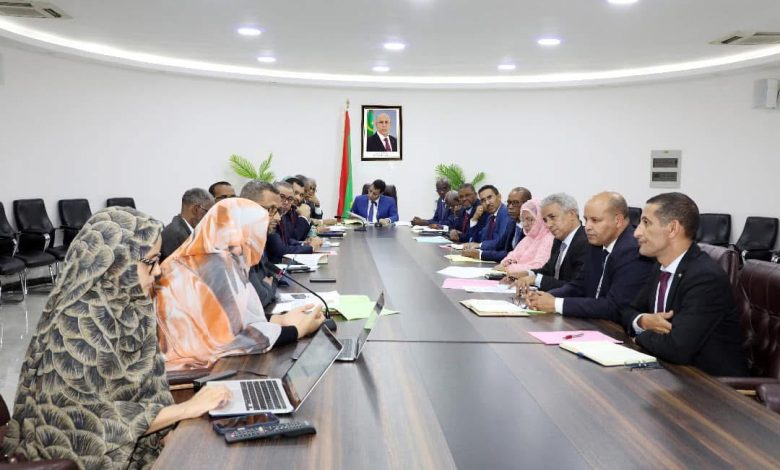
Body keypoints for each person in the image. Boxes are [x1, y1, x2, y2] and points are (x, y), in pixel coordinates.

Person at [1, 207, 232, 469]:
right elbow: (88, 422)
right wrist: (185, 409)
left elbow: (150, 387)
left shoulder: (132, 305)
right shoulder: (77, 324)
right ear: (117, 262)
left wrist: (168, 431)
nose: (158, 271)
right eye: (150, 262)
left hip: (137, 444)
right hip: (76, 457)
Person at [156, 198, 325, 371]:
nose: (244, 246)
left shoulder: (210, 257)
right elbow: (234, 339)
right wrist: (297, 330)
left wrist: (280, 319)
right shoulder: (213, 266)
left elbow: (235, 318)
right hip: (188, 369)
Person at [621, 192, 747, 376]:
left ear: (672, 229)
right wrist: (642, 321)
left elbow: (677, 348)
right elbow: (626, 311)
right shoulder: (661, 267)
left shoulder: (705, 278)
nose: (637, 232)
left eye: (646, 223)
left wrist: (638, 335)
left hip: (711, 384)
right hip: (669, 372)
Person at [526, 191, 653, 323]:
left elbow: (614, 307)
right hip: (593, 321)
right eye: (586, 220)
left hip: (617, 328)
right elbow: (579, 286)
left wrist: (556, 304)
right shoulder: (596, 244)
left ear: (618, 220)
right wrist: (544, 297)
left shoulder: (632, 250)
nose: (587, 227)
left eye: (595, 220)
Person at [512, 193, 589, 290]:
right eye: (545, 220)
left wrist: (536, 280)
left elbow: (576, 287)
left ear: (571, 214)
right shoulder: (558, 241)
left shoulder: (585, 242)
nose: (548, 225)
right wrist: (527, 273)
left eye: (552, 217)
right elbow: (548, 271)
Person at [240, 180, 282, 308]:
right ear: (249, 207)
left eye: (278, 210)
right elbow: (260, 298)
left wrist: (268, 283)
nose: (278, 218)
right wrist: (269, 284)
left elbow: (269, 275)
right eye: (271, 209)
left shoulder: (254, 239)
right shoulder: (237, 243)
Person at [465, 187, 532, 262]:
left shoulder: (508, 216)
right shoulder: (492, 218)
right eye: (509, 203)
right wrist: (474, 219)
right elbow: (481, 239)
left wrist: (480, 253)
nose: (510, 207)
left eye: (515, 203)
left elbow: (501, 246)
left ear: (499, 197)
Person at [493, 198, 554, 273]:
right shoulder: (528, 237)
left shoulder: (549, 239)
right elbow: (512, 255)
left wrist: (510, 268)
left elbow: (538, 267)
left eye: (530, 219)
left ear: (540, 219)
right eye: (523, 220)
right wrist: (507, 262)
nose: (525, 224)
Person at [160, 187, 214, 261]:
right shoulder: (174, 235)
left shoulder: (185, 232)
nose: (211, 218)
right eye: (210, 213)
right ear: (195, 209)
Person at [461, 185, 512, 257]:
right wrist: (474, 219)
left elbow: (500, 242)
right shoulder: (490, 217)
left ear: (499, 197)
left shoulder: (506, 214)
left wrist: (480, 245)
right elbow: (479, 238)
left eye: (490, 197)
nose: (487, 203)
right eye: (483, 200)